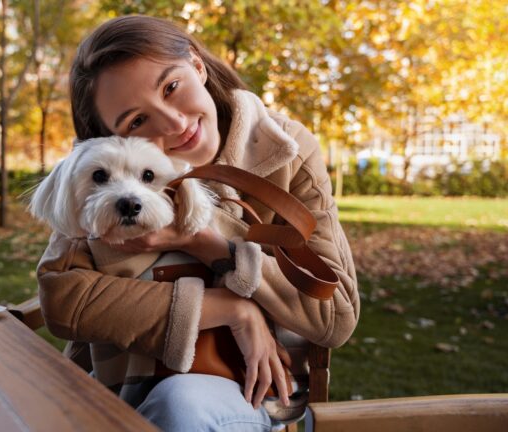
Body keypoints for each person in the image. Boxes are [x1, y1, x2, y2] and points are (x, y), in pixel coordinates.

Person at [36, 15, 359, 431]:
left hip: (249, 393)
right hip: (118, 392)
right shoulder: (102, 183)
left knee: (181, 404)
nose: (173, 123)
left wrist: (204, 242)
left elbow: (335, 316)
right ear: (112, 139)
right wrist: (230, 310)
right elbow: (62, 298)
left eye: (171, 87)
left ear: (196, 64)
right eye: (136, 122)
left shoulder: (288, 149)